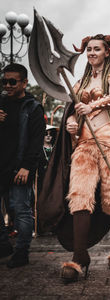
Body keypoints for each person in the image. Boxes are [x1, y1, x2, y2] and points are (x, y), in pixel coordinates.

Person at [38, 34, 110, 283]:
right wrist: (70, 123)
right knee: (79, 194)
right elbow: (72, 114)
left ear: (107, 53)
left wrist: (91, 107)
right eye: (88, 49)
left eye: (96, 49)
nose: (91, 53)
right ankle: (80, 256)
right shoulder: (78, 84)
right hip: (85, 144)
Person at [0, 63, 45, 268]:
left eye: (12, 81)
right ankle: (3, 245)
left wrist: (27, 167)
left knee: (21, 210)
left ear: (24, 83)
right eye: (4, 81)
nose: (7, 85)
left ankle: (21, 252)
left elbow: (36, 141)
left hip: (20, 168)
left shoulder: (33, 107)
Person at [37, 124, 57, 196]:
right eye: (46, 134)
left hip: (53, 176)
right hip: (41, 177)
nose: (48, 136)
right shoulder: (38, 148)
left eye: (50, 134)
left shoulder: (55, 148)